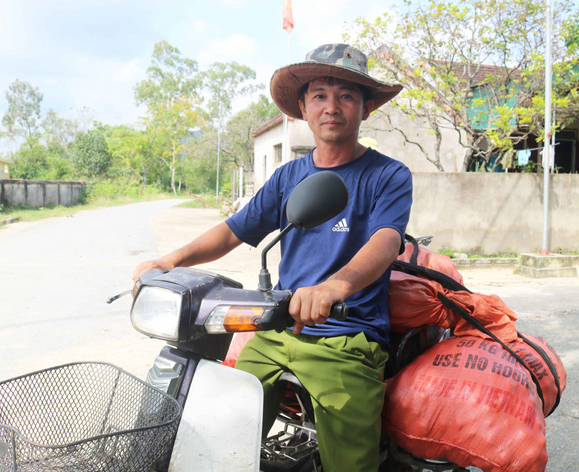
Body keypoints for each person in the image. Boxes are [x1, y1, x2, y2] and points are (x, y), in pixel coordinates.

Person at [133, 43, 412, 472]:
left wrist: (333, 287)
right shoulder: (288, 176)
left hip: (347, 335)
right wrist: (172, 260)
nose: (332, 107)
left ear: (366, 108)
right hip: (279, 328)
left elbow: (386, 241)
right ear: (303, 107)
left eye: (347, 96)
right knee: (216, 424)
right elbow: (235, 229)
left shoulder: (388, 175)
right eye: (320, 95)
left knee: (352, 464)